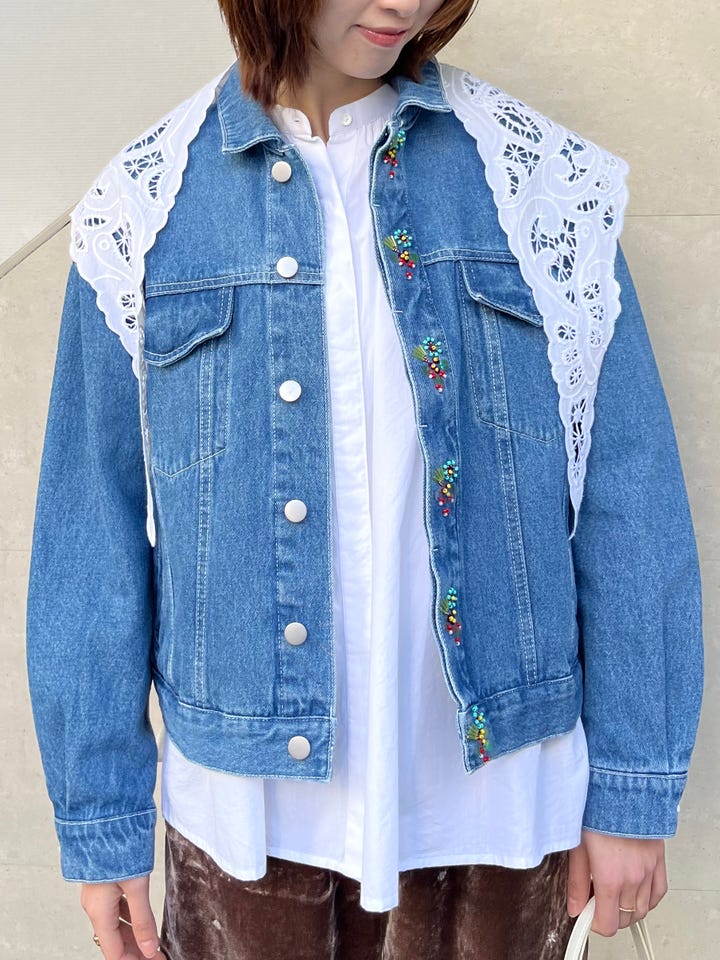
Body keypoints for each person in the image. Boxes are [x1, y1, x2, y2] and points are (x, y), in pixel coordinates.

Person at [25, 1, 704, 958]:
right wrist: (102, 824)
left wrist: (632, 790)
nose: (404, 4)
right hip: (247, 816)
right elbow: (88, 540)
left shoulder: (540, 184)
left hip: (500, 803)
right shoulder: (141, 211)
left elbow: (628, 499)